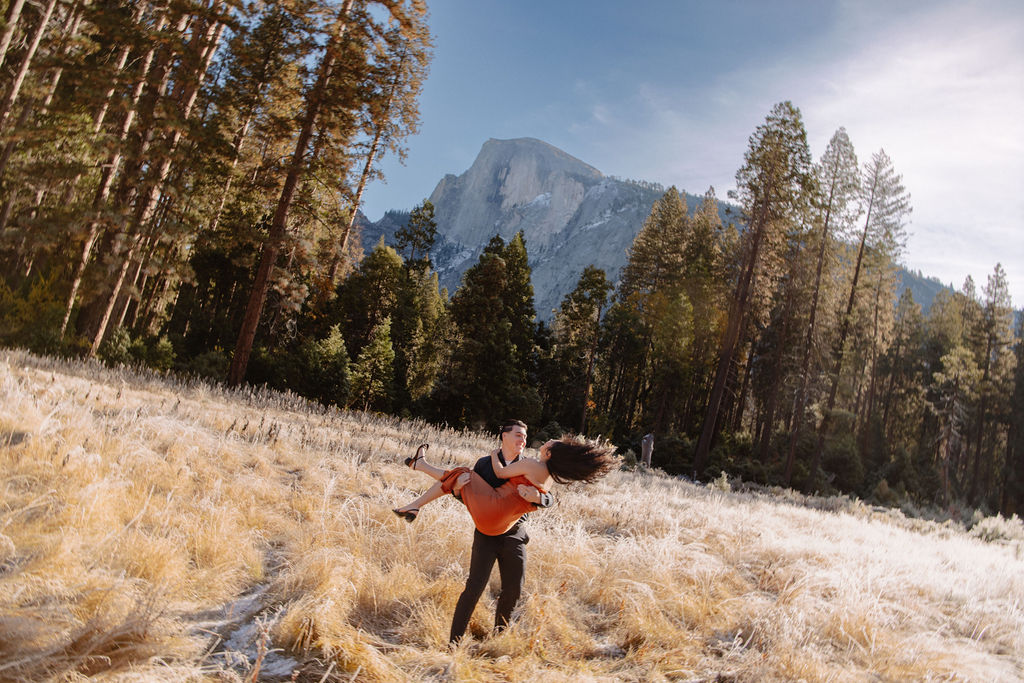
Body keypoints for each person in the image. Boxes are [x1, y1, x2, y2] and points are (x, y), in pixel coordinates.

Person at [392, 420, 616, 643]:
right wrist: (458, 490)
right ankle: (454, 643)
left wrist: (538, 498)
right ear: (504, 436)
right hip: (486, 533)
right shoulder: (484, 465)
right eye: (518, 435)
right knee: (474, 588)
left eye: (525, 437)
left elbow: (548, 498)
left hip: (513, 534)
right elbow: (472, 499)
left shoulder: (528, 463)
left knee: (513, 589)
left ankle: (498, 639)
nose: (523, 440)